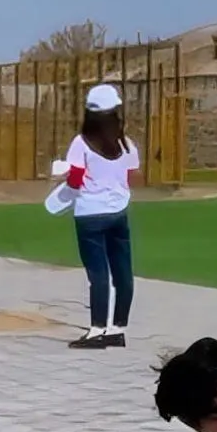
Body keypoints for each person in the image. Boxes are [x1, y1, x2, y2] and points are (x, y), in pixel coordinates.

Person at [63, 83, 140, 348]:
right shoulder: (127, 144)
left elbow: (74, 181)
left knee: (98, 272)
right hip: (119, 212)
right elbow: (129, 177)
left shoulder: (80, 143)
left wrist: (68, 179)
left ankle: (96, 330)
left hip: (90, 214)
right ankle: (117, 329)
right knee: (123, 271)